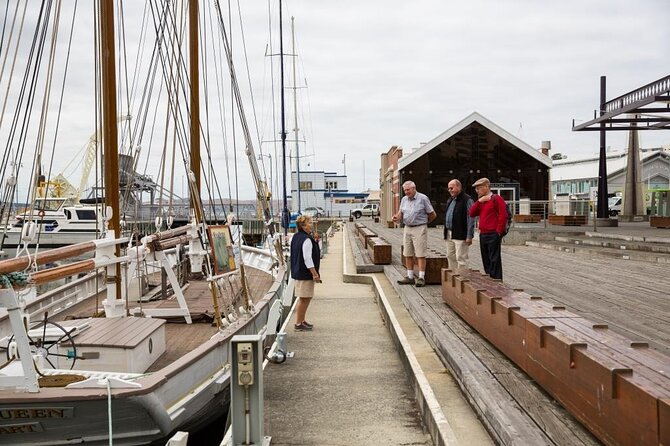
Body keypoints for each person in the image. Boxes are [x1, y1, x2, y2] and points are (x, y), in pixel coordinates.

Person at [392, 181, 437, 287]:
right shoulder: (403, 199)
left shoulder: (423, 198)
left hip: (419, 228)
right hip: (407, 228)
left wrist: (424, 223)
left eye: (408, 190)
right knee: (407, 253)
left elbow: (432, 214)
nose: (406, 192)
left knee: (420, 253)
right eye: (405, 190)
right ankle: (410, 277)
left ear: (414, 188)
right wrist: (396, 217)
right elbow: (401, 213)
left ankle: (421, 277)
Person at [468, 177, 507, 280]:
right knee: (486, 259)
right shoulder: (482, 201)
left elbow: (503, 215)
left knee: (494, 258)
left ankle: (497, 280)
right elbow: (471, 213)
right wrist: (479, 201)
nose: (477, 191)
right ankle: (490, 279)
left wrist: (498, 231)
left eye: (479, 188)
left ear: (486, 187)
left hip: (493, 233)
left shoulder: (496, 198)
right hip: (483, 233)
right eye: (476, 189)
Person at [290, 215, 321, 331]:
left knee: (305, 297)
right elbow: (307, 258)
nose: (311, 224)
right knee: (304, 298)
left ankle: (302, 320)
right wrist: (314, 273)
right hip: (305, 273)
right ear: (303, 226)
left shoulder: (296, 237)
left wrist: (316, 241)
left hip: (298, 271)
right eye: (309, 223)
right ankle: (298, 323)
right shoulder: (306, 239)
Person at [443, 179, 475, 270]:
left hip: (461, 233)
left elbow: (471, 219)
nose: (449, 190)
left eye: (451, 188)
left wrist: (469, 235)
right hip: (449, 233)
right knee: (450, 256)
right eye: (448, 188)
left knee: (461, 258)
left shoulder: (467, 200)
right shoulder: (450, 200)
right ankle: (453, 278)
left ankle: (462, 279)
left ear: (458, 187)